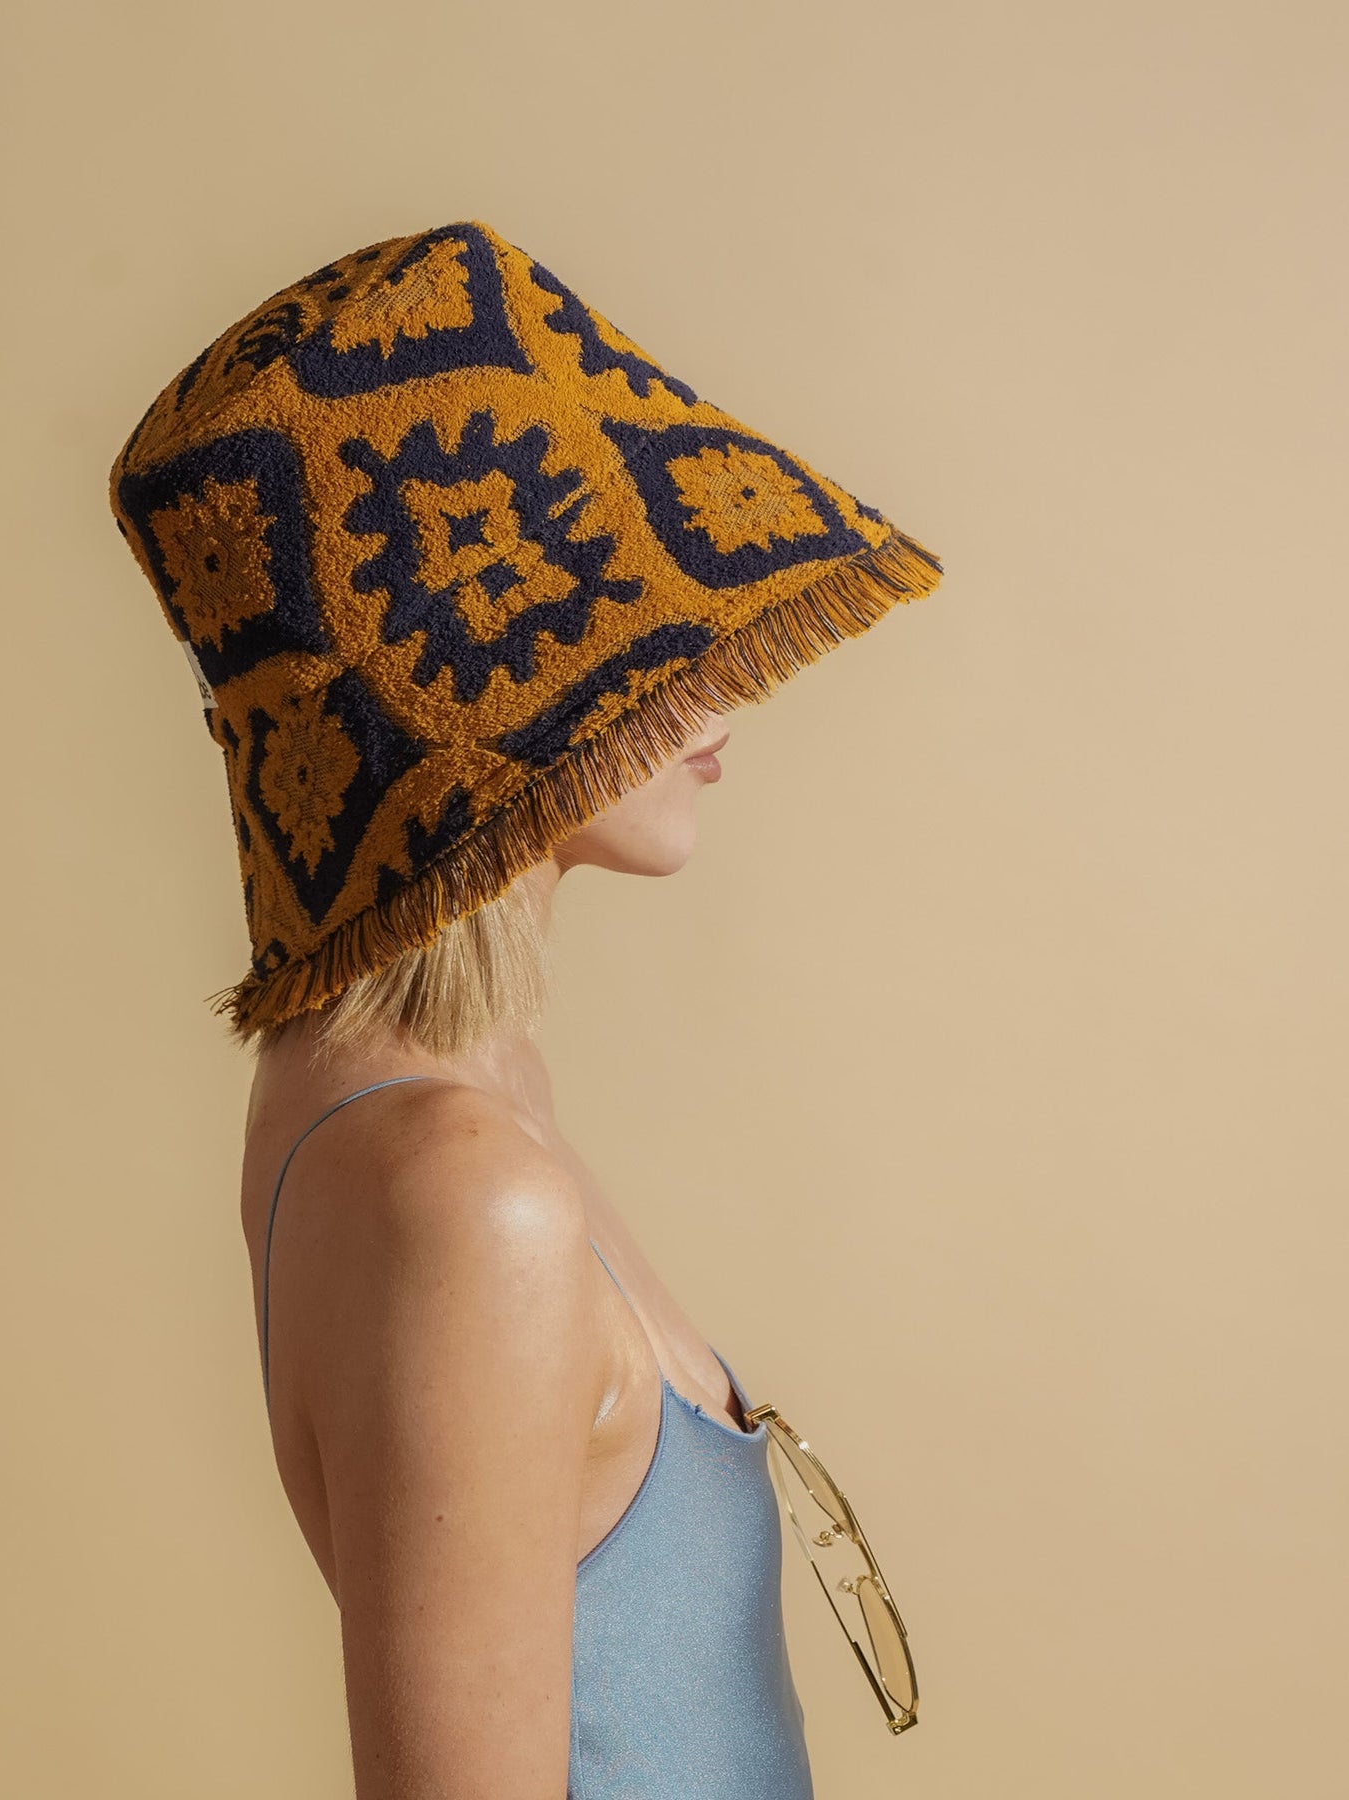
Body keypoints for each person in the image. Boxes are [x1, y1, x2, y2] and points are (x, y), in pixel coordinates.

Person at [108, 217, 943, 1797]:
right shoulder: (462, 1188)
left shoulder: (432, 1101)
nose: (721, 680)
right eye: (628, 627)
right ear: (472, 681)